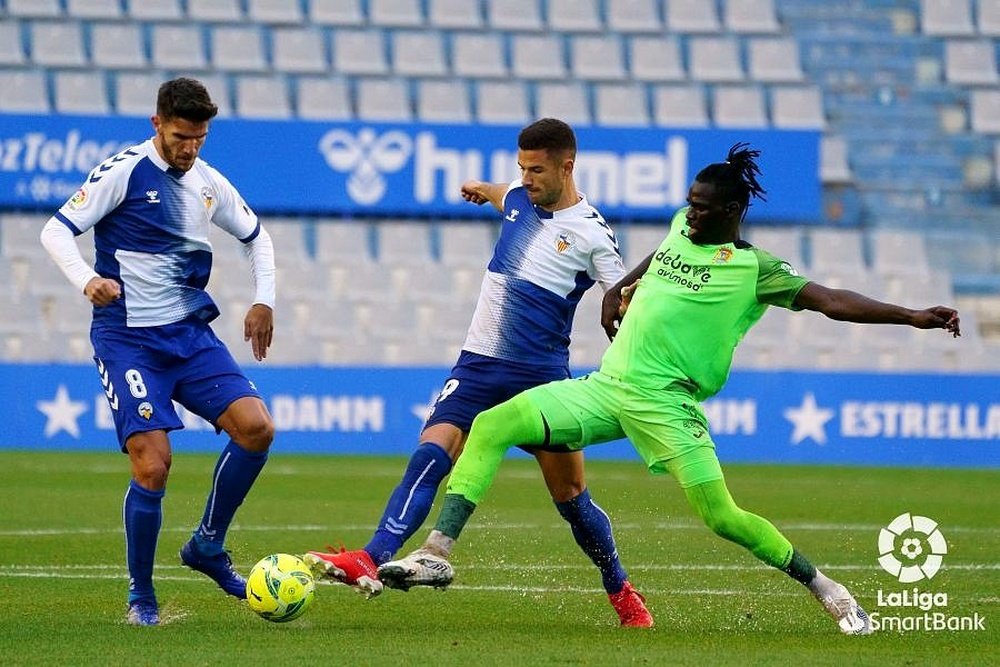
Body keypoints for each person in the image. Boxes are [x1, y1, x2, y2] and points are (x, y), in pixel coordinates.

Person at [377, 143, 962, 635]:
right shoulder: (684, 227)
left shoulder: (755, 268)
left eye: (705, 209)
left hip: (668, 405)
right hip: (609, 387)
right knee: (494, 422)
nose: (692, 214)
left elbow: (831, 302)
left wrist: (911, 316)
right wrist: (617, 289)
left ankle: (824, 585)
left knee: (723, 517)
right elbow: (661, 255)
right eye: (690, 204)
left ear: (733, 211)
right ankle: (437, 554)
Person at [305, 118, 654, 627]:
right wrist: (480, 189)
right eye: (521, 168)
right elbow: (503, 194)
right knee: (431, 450)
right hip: (477, 366)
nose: (527, 178)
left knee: (572, 498)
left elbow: (619, 295)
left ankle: (620, 589)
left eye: (537, 169)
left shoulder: (592, 234)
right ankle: (371, 554)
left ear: (566, 166)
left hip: (542, 379)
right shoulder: (517, 196)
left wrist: (629, 312)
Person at [39, 77, 278, 627]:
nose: (188, 148)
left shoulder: (209, 182)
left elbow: (256, 237)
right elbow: (57, 231)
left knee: (256, 429)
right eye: (178, 136)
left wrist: (264, 300)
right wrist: (85, 280)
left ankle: (207, 546)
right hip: (128, 340)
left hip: (190, 337)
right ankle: (141, 597)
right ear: (156, 124)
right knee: (153, 463)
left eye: (198, 137)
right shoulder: (123, 170)